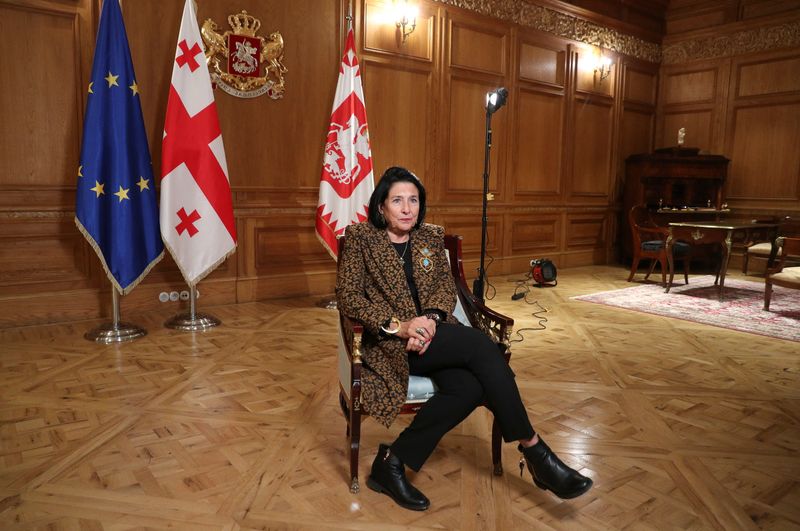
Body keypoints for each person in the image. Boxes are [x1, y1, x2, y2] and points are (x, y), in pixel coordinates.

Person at [336, 166, 592, 511]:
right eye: (397, 200)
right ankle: (536, 453)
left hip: (434, 333)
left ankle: (391, 463)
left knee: (468, 388)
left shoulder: (429, 236)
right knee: (480, 345)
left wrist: (429, 320)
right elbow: (350, 298)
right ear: (381, 206)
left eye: (413, 200)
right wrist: (402, 326)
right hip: (392, 343)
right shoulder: (361, 239)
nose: (407, 208)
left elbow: (444, 287)